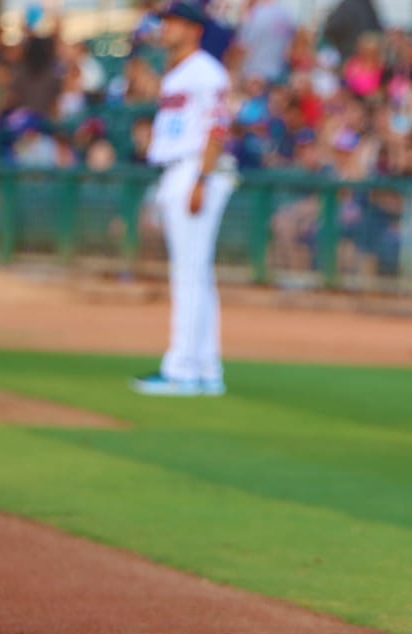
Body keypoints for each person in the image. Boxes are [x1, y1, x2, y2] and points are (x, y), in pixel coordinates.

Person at [132, 1, 237, 397]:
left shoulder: (207, 71)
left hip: (196, 169)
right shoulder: (179, 71)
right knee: (197, 276)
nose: (166, 28)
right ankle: (206, 369)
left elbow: (217, 126)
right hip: (181, 168)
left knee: (189, 276)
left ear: (194, 29)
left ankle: (181, 371)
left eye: (174, 22)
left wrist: (202, 179)